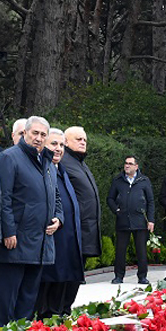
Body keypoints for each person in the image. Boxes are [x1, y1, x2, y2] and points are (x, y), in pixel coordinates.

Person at [0, 116, 62, 325]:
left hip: (39, 244)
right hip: (15, 244)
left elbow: (55, 196)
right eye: (35, 133)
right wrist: (8, 231)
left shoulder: (47, 162)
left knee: (28, 300)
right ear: (25, 134)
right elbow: (3, 197)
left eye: (43, 135)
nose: (39, 138)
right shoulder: (9, 158)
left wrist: (59, 218)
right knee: (6, 301)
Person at [35, 129, 82, 318]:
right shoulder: (42, 169)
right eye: (54, 144)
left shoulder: (61, 170)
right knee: (45, 292)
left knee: (60, 290)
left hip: (66, 241)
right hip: (49, 241)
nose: (58, 149)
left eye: (62, 145)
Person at [61, 126, 101, 296]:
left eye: (84, 139)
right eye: (78, 139)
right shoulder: (63, 161)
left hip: (85, 230)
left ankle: (65, 311)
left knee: (76, 278)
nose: (83, 142)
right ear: (66, 142)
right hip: (72, 232)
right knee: (67, 278)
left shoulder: (80, 163)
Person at [107, 155, 155, 284]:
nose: (127, 166)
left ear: (136, 166)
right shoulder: (118, 180)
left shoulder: (144, 180)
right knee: (120, 250)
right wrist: (116, 210)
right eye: (125, 163)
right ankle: (118, 276)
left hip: (140, 221)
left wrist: (151, 220)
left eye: (130, 163)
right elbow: (110, 198)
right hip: (122, 220)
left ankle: (142, 276)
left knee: (141, 250)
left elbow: (150, 201)